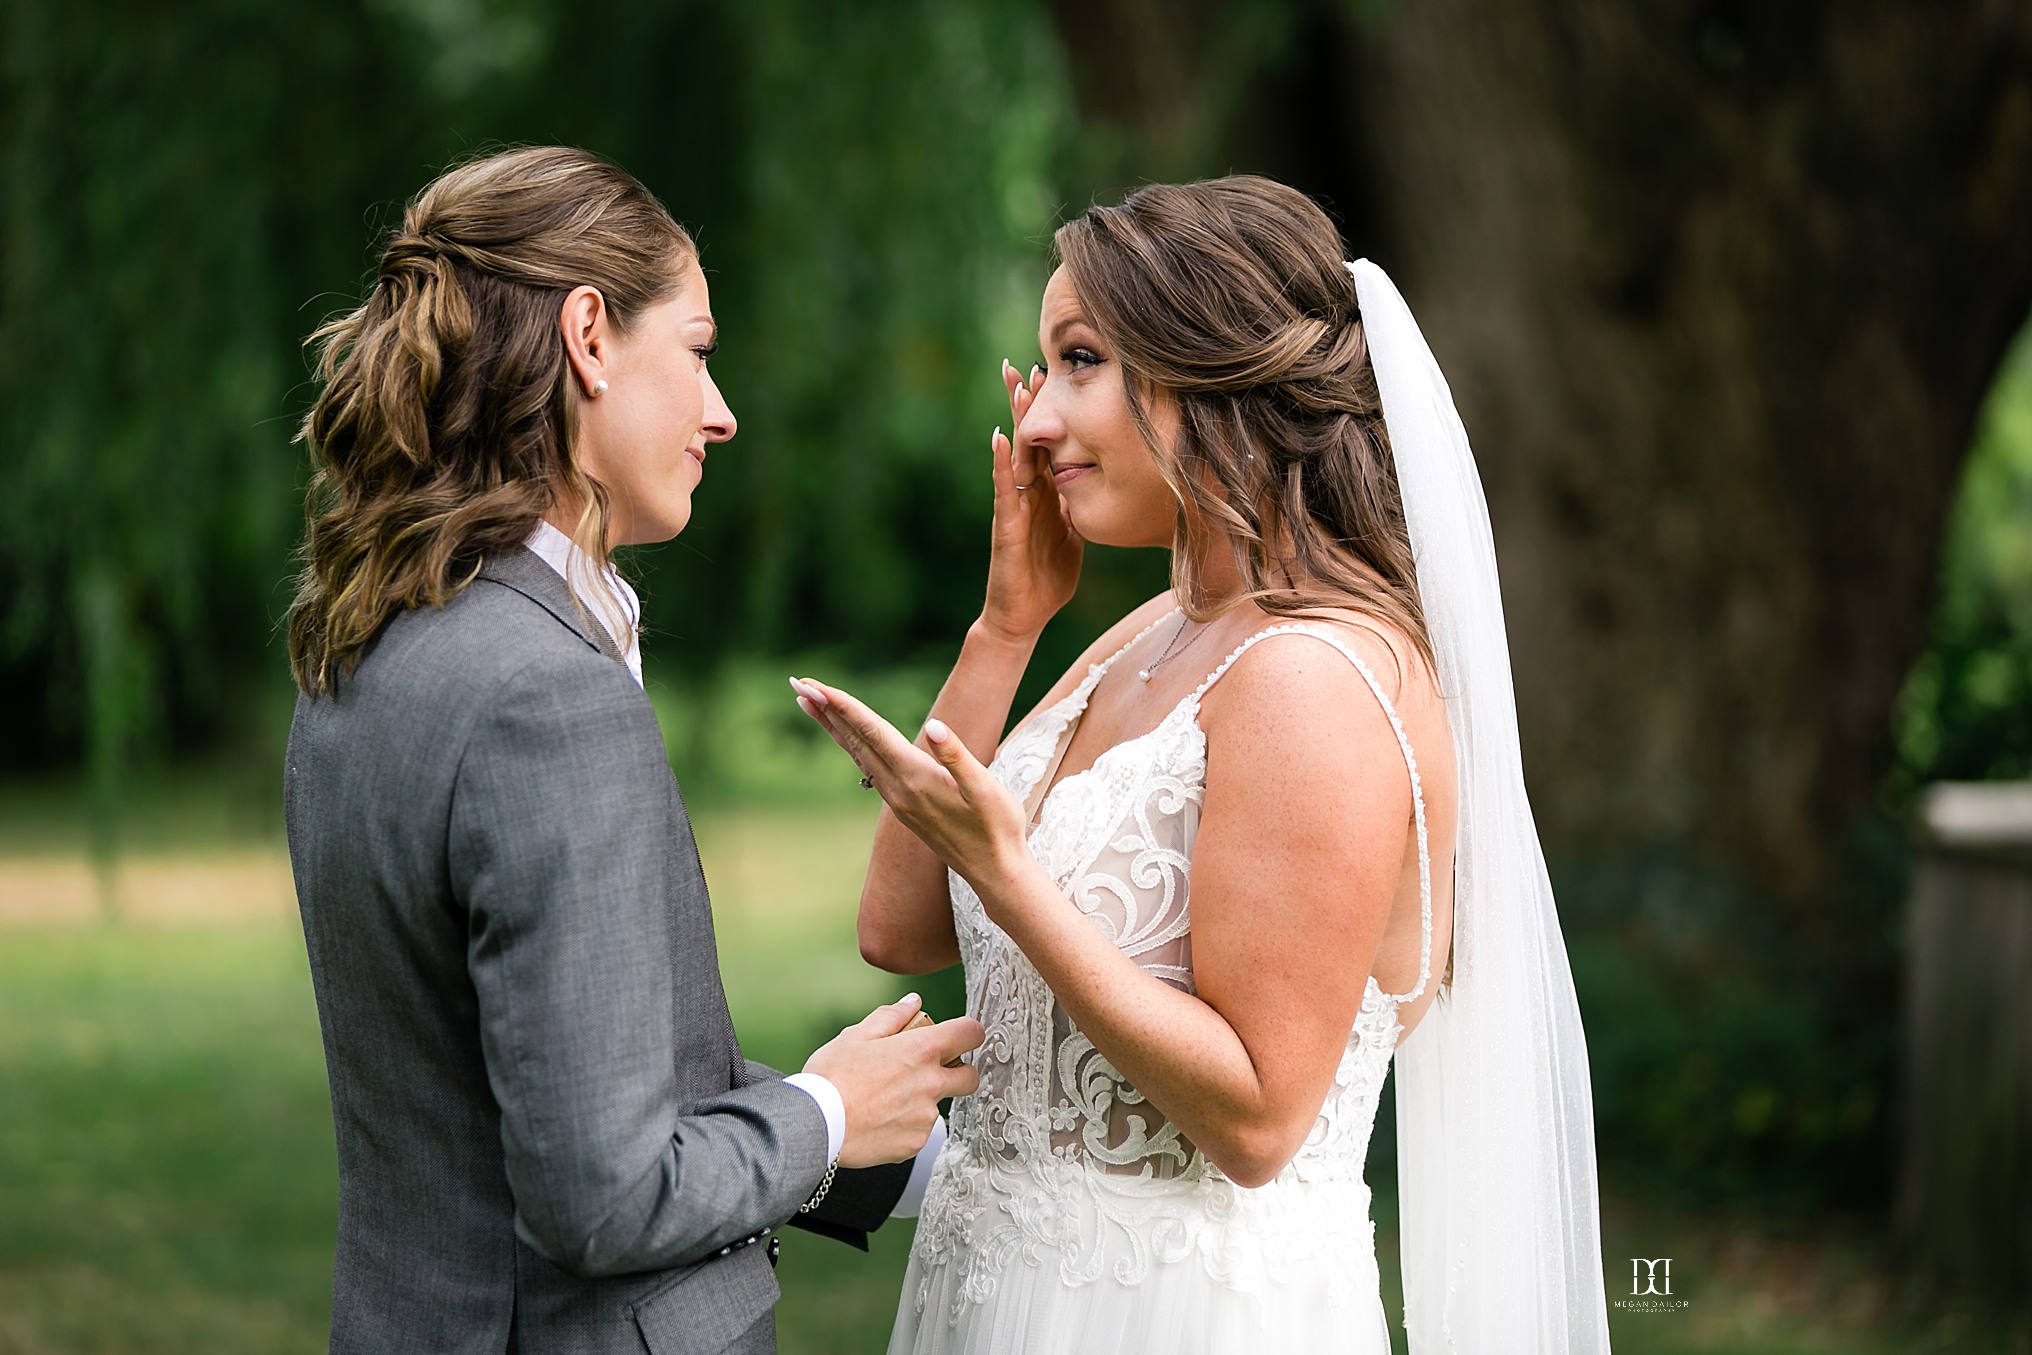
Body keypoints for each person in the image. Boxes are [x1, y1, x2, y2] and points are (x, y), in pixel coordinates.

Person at [791, 177, 1612, 1352]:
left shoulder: (1310, 678)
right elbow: (898, 923)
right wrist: (1005, 629)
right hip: (997, 1294)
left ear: (1210, 374)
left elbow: (1261, 1113)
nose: (1032, 425)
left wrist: (1014, 877)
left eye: (1079, 362)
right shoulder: (1148, 635)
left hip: (1172, 1309)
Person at [283, 145, 982, 1355]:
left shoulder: (365, 647)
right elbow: (602, 1193)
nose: (722, 410)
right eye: (700, 349)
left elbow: (553, 1068)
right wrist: (824, 1108)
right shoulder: (547, 698)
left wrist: (904, 1155)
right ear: (590, 336)